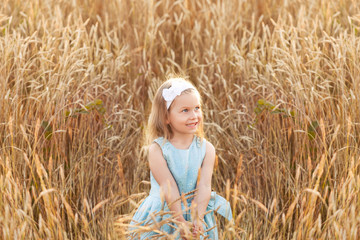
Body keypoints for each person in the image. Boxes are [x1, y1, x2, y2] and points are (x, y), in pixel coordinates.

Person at [128, 77, 232, 239]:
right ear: (166, 117)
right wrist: (180, 221)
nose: (194, 115)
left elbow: (204, 185)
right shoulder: (158, 149)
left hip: (197, 209)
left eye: (197, 108)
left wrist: (197, 219)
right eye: (185, 110)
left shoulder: (207, 149)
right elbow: (167, 186)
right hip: (164, 214)